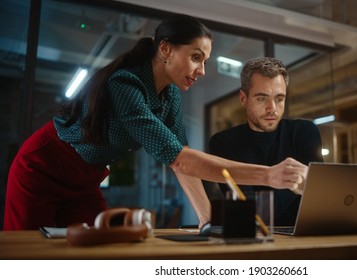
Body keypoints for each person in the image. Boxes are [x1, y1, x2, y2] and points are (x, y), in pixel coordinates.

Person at [4, 15, 308, 231]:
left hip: (86, 178)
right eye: (196, 57)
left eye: (204, 61)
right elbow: (180, 159)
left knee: (95, 252)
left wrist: (206, 221)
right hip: (43, 166)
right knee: (30, 253)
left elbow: (182, 159)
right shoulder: (125, 84)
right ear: (165, 49)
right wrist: (269, 175)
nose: (201, 70)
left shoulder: (170, 95)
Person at [209, 57, 323, 226]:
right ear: (243, 99)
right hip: (254, 242)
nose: (272, 109)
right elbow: (248, 213)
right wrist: (296, 184)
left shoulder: (304, 132)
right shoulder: (224, 143)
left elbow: (320, 197)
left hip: (307, 235)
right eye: (262, 99)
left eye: (279, 98)